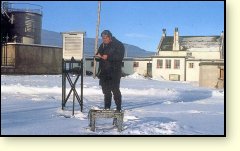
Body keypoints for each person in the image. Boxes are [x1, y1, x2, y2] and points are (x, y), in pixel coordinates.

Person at [95, 30, 125, 112]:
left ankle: (118, 107)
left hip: (114, 72)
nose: (104, 39)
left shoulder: (118, 44)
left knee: (115, 90)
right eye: (103, 38)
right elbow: (98, 55)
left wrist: (108, 57)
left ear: (110, 37)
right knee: (106, 91)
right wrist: (97, 57)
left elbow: (119, 57)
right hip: (104, 72)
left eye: (105, 38)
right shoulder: (103, 45)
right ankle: (107, 107)